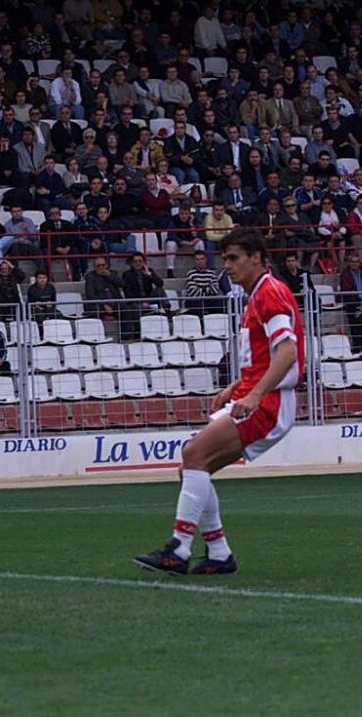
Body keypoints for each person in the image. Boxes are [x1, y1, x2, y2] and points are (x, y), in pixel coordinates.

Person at [134, 230, 304, 576]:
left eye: (233, 258)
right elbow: (265, 356)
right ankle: (218, 552)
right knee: (194, 467)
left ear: (256, 257)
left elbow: (287, 352)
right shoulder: (258, 295)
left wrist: (255, 394)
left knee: (195, 454)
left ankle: (179, 549)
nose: (227, 267)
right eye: (225, 259)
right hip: (260, 397)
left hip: (269, 403)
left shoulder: (269, 293)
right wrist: (238, 385)